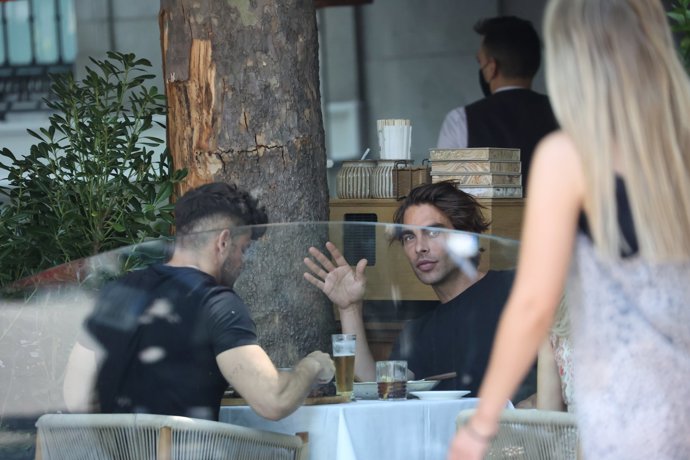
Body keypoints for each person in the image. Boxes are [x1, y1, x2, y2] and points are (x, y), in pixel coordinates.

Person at [448, 1, 690, 459]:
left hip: (628, 417)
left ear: (571, 56)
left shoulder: (569, 157)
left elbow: (533, 306)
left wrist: (481, 427)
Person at [63, 182, 335, 421]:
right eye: (244, 249)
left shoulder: (117, 292)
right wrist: (311, 366)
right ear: (223, 242)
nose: (243, 263)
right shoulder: (216, 303)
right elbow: (274, 401)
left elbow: (76, 399)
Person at [304, 181, 535, 401]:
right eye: (409, 237)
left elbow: (556, 367)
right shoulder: (418, 333)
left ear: (465, 236)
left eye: (433, 232)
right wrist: (349, 308)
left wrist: (530, 406)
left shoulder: (514, 288)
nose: (419, 248)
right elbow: (380, 390)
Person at [436, 16, 558, 190]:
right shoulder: (565, 116)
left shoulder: (460, 120)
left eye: (480, 61)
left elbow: (444, 195)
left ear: (492, 67)